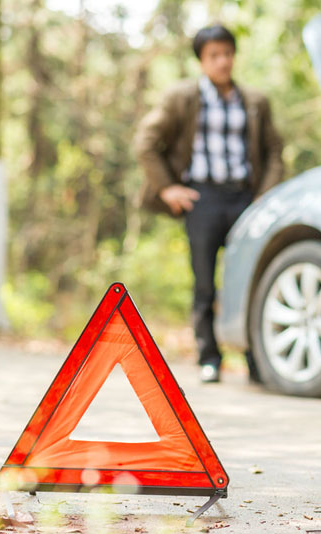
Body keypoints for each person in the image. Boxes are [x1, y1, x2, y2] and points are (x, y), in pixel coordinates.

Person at [133, 24, 284, 383]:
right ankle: (209, 357)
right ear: (201, 60)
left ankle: (254, 360)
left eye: (227, 53)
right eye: (214, 55)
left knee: (250, 276)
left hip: (246, 199)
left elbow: (274, 150)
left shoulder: (254, 102)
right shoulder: (181, 98)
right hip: (202, 199)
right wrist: (168, 188)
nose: (223, 61)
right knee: (204, 283)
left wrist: (265, 193)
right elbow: (146, 142)